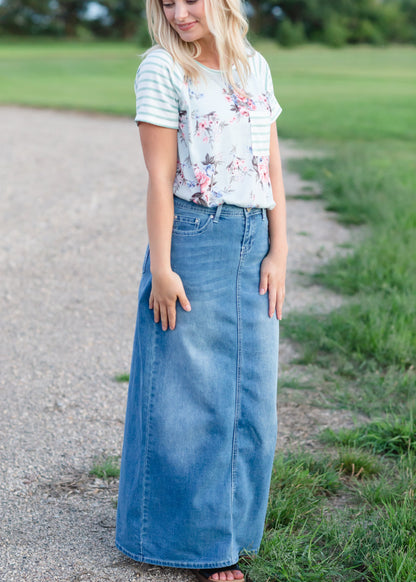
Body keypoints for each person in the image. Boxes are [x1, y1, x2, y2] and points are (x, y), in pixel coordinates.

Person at [115, 0, 287, 579]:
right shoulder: (162, 66)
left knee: (252, 395)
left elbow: (272, 167)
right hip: (195, 236)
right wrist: (162, 269)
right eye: (167, 1)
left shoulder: (253, 65)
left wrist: (280, 250)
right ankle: (200, 549)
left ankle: (231, 529)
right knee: (193, 397)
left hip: (254, 233)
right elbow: (160, 177)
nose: (179, 11)